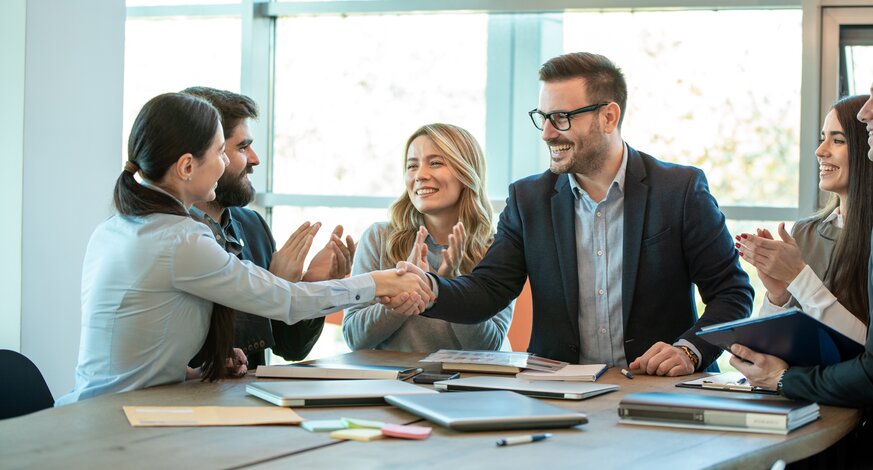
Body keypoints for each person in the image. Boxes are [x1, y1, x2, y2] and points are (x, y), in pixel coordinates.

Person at [56, 93, 432, 405]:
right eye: (222, 151)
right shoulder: (180, 238)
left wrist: (193, 370)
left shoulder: (118, 227)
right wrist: (380, 283)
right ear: (187, 166)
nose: (228, 163)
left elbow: (131, 344)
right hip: (116, 418)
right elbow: (287, 300)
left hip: (104, 406)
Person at [394, 52, 753, 376]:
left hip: (658, 388)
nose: (548, 133)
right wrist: (430, 288)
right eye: (543, 117)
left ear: (609, 117)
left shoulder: (680, 190)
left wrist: (688, 351)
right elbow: (489, 289)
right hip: (558, 395)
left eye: (562, 118)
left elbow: (731, 293)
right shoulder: (528, 198)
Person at [181, 86, 355, 367]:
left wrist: (312, 284)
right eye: (241, 147)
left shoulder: (252, 226)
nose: (255, 158)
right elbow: (192, 347)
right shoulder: (172, 234)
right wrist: (278, 285)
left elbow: (291, 347)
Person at [731, 88, 873, 405]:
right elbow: (777, 352)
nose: (820, 150)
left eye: (838, 140)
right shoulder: (806, 232)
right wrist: (778, 295)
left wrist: (799, 275)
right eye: (823, 138)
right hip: (799, 398)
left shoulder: (870, 238)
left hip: (851, 408)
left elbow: (865, 353)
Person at [343, 123, 513, 352]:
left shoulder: (497, 246)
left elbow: (490, 347)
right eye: (412, 166)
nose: (420, 175)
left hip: (469, 386)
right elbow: (355, 338)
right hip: (393, 384)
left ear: (466, 172)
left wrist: (450, 287)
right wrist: (403, 293)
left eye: (435, 163)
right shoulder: (379, 238)